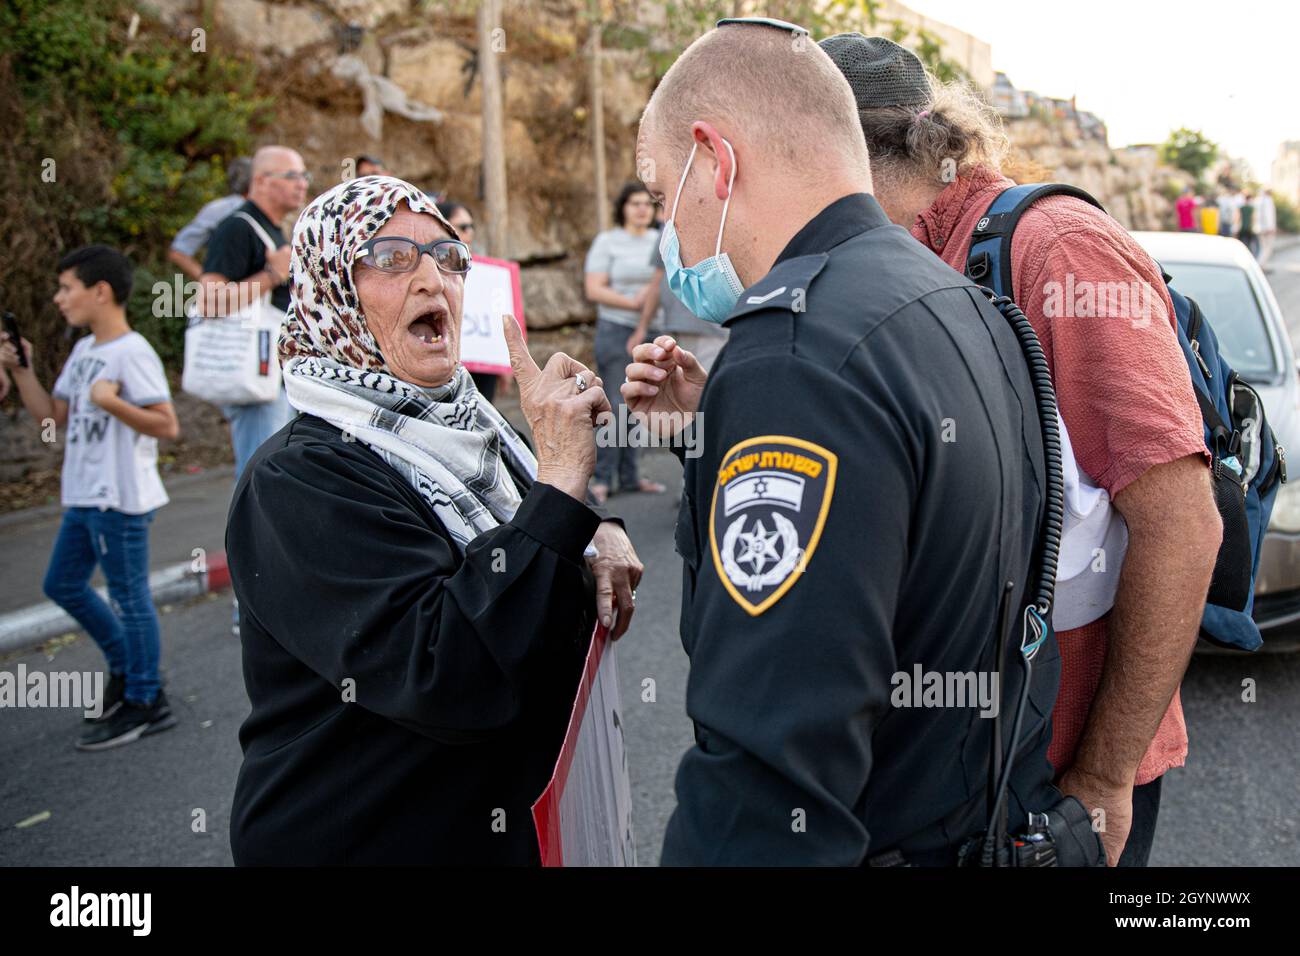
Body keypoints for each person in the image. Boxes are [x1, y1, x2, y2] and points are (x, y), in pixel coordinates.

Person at [624, 20, 1070, 865]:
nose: (665, 227)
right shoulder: (961, 300)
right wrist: (705, 440)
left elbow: (767, 783)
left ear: (714, 160)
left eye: (660, 193)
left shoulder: (793, 360)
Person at [819, 33, 1222, 866]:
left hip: (1058, 776)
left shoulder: (1058, 250)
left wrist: (1105, 776)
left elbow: (1182, 523)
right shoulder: (908, 260)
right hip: (954, 770)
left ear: (845, 157)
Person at [225, 176, 644, 865]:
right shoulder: (297, 478)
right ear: (331, 291)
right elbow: (446, 675)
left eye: (448, 258)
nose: (433, 280)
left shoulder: (473, 430)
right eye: (391, 258)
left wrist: (593, 524)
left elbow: (523, 536)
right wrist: (564, 486)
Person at [0, 246, 180, 750]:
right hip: (83, 494)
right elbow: (51, 421)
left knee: (129, 597)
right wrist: (21, 372)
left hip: (120, 498)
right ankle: (128, 670)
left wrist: (112, 402)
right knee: (62, 584)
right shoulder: (84, 353)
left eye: (65, 288)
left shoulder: (132, 351)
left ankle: (146, 700)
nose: (58, 299)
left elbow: (167, 424)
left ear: (99, 292)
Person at [198, 145, 306, 481]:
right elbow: (210, 300)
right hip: (253, 376)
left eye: (304, 176)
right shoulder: (238, 228)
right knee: (260, 476)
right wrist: (272, 275)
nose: (301, 184)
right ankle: (252, 535)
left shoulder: (270, 229)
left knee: (275, 472)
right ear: (261, 180)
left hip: (270, 375)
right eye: (291, 176)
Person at [584, 182, 666, 503]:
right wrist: (633, 303)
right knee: (615, 407)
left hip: (652, 331)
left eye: (648, 203)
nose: (642, 209)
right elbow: (594, 289)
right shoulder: (608, 241)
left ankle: (631, 476)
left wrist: (647, 302)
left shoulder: (659, 241)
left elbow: (664, 281)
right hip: (617, 329)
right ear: (623, 208)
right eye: (634, 203)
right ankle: (602, 478)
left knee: (640, 407)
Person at [437, 198, 509, 402]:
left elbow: (496, 313)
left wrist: (502, 361)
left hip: (482, 362)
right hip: (448, 363)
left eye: (472, 227)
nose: (469, 232)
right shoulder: (428, 270)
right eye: (463, 226)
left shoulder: (486, 271)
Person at [633, 243, 728, 373]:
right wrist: (642, 327)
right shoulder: (668, 229)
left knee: (706, 385)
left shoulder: (724, 227)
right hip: (672, 328)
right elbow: (656, 283)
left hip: (710, 330)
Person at [168, 157, 252, 280]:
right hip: (230, 294)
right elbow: (178, 252)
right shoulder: (222, 209)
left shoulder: (271, 210)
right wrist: (211, 282)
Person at [1256, 189, 1278, 266]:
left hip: (1260, 228)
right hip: (1267, 229)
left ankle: (1262, 265)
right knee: (1267, 248)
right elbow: (1269, 215)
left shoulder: (1258, 200)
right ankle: (1261, 264)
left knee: (1263, 247)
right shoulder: (1268, 201)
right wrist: (1271, 227)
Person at [1238, 189, 1259, 257]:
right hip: (1249, 228)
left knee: (1241, 244)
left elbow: (1237, 218)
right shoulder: (1252, 208)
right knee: (1249, 245)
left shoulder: (1241, 208)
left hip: (1242, 228)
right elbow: (1254, 219)